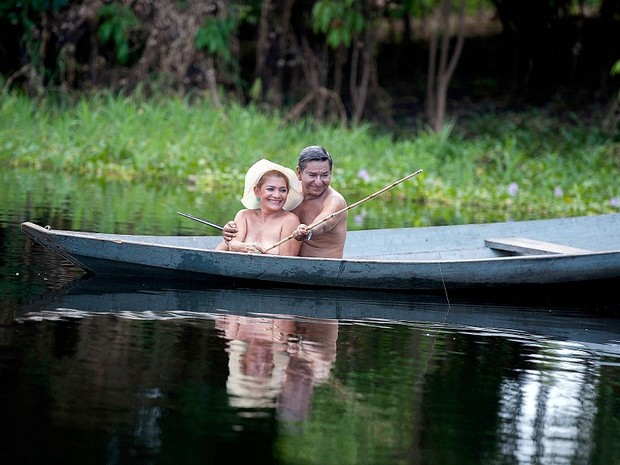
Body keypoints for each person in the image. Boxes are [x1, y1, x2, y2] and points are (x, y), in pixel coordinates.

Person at [223, 146, 347, 258]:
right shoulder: (287, 191)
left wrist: (308, 232)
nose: (319, 182)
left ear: (331, 172)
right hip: (287, 257)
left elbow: (324, 223)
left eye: (324, 175)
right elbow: (261, 212)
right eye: (312, 175)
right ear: (299, 173)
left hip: (320, 266)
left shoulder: (334, 201)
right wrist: (230, 231)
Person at [216, 159, 303, 256]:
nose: (277, 195)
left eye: (282, 190)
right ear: (257, 191)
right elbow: (232, 245)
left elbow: (287, 261)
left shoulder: (289, 221)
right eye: (271, 189)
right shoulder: (244, 216)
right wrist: (246, 247)